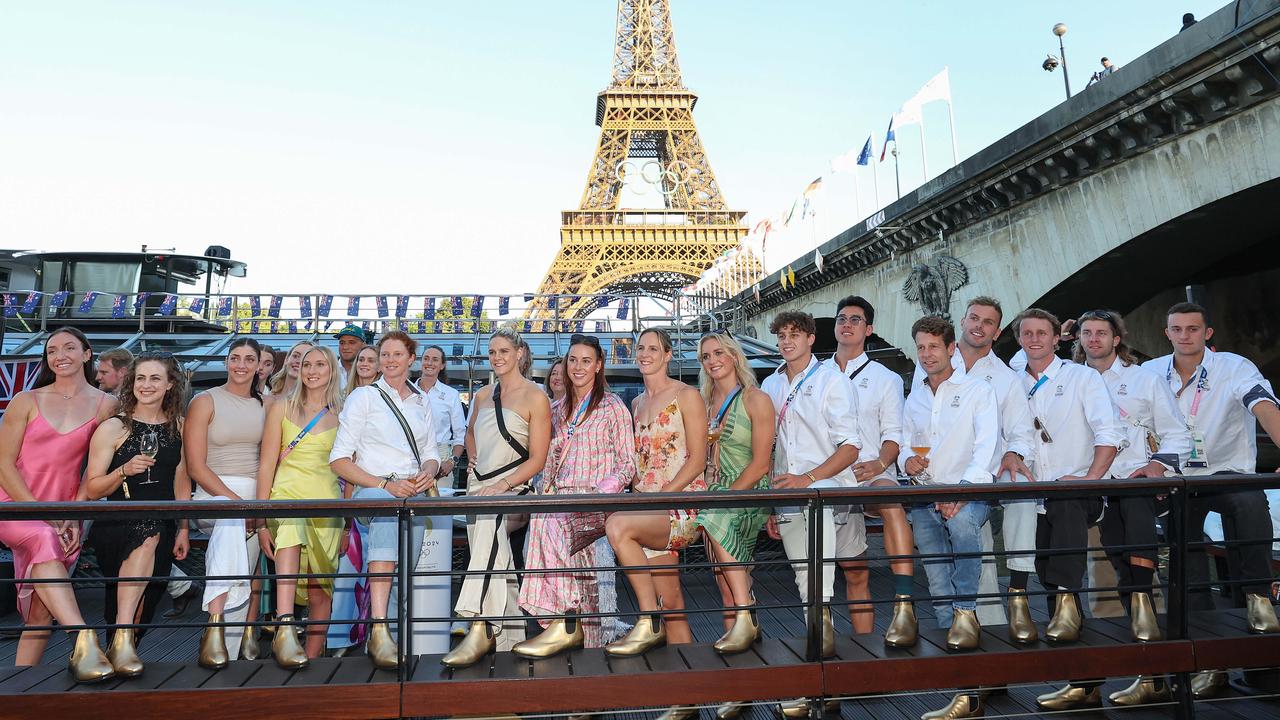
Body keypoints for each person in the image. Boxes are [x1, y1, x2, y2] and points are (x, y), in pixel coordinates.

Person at [1144, 301, 1280, 698]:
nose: (1184, 335)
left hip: (1227, 471)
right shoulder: (1150, 372)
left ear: (1208, 333)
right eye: (1176, 329)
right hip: (1177, 477)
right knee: (1185, 557)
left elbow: (1265, 407)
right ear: (1166, 333)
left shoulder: (1234, 368)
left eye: (1192, 328)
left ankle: (1257, 596)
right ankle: (1208, 662)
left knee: (1251, 504)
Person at [920, 298, 1038, 720]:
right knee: (946, 579)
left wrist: (1012, 453)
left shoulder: (1004, 380)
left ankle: (980, 678)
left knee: (980, 576)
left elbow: (1018, 433)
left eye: (989, 322)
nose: (979, 326)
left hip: (976, 489)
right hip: (935, 491)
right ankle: (974, 674)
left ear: (997, 331)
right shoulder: (928, 368)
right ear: (962, 324)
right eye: (974, 318)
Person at [1072, 309, 1191, 706]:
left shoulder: (1143, 379)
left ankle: (1151, 669)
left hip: (1131, 481)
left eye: (1100, 333)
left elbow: (1176, 431)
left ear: (1116, 338)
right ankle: (1085, 683)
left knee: (1130, 563)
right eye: (1086, 333)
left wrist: (1158, 465)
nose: (1093, 340)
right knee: (1082, 581)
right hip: (1086, 487)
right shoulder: (1069, 380)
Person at [1015, 308, 1122, 712]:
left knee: (1063, 581)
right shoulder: (1012, 380)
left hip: (1078, 493)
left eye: (1043, 333)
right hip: (1033, 495)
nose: (1035, 339)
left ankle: (1066, 604)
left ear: (1056, 338)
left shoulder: (1083, 378)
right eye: (1027, 333)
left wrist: (1089, 480)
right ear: (1021, 339)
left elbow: (1108, 435)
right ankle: (1082, 683)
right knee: (1047, 576)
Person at [0, 328, 117, 682]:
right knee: (43, 541)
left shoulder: (106, 405)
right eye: (52, 350)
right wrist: (43, 513)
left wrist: (72, 516)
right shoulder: (25, 399)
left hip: (66, 512)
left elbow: (94, 471)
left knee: (40, 612)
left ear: (86, 353)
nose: (60, 354)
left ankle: (19, 686)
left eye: (69, 347)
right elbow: (3, 463)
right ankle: (83, 637)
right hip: (13, 503)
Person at [762, 311, 860, 719]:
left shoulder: (832, 381)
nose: (787, 341)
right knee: (807, 578)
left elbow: (851, 446)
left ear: (810, 338)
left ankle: (821, 679)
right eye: (782, 335)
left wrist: (810, 478)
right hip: (786, 495)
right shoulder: (770, 383)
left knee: (816, 579)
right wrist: (769, 501)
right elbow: (768, 449)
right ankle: (824, 679)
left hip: (820, 493)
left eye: (795, 335)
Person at [517, 334, 635, 655]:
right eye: (572, 360)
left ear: (598, 366)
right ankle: (567, 622)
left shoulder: (613, 407)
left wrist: (599, 493)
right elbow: (543, 463)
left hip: (596, 502)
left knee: (548, 521)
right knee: (546, 517)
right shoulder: (554, 410)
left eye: (586, 361)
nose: (578, 366)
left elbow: (627, 465)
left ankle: (563, 621)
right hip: (561, 504)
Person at [330, 330, 440, 669]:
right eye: (385, 354)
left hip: (414, 494)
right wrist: (385, 484)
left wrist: (429, 472)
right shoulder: (363, 397)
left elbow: (432, 453)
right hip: (376, 491)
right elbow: (339, 460)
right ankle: (378, 630)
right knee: (388, 519)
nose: (390, 360)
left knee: (403, 572)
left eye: (397, 354)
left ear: (411, 359)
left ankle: (386, 642)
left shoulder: (423, 401)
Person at [442, 327, 550, 667]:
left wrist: (503, 486)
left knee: (489, 536)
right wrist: (472, 460)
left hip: (514, 488)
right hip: (479, 487)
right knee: (496, 559)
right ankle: (511, 639)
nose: (497, 357)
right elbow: (471, 431)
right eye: (492, 352)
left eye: (503, 350)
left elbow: (538, 459)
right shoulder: (482, 395)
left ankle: (478, 622)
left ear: (519, 353)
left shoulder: (537, 397)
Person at [81, 352, 192, 678]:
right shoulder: (113, 427)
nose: (147, 385)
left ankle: (122, 644)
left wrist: (184, 528)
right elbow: (92, 489)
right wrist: (124, 471)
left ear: (170, 384)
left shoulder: (180, 427)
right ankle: (123, 640)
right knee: (148, 534)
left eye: (155, 378)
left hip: (166, 522)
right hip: (118, 522)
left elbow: (182, 479)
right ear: (132, 383)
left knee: (148, 601)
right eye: (141, 378)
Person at [605, 329, 707, 661]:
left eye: (653, 348)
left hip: (680, 506)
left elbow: (698, 459)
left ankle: (648, 620)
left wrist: (665, 495)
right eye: (640, 348)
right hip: (648, 509)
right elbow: (639, 462)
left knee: (618, 526)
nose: (645, 353)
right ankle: (687, 697)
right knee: (673, 604)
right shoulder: (635, 403)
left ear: (667, 355)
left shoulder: (687, 396)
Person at [822, 296, 914, 643]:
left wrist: (879, 463)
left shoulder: (885, 378)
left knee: (892, 502)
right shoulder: (816, 376)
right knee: (852, 572)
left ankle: (904, 601)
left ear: (869, 329)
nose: (847, 324)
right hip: (829, 475)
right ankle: (831, 638)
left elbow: (893, 434)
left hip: (870, 471)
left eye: (856, 320)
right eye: (842, 318)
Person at [694, 330, 775, 720]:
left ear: (734, 355)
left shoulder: (756, 399)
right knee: (726, 587)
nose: (713, 360)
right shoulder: (702, 404)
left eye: (719, 352)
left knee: (733, 583)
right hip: (714, 496)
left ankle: (748, 611)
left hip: (745, 493)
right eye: (706, 355)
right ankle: (739, 687)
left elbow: (762, 463)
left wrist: (724, 496)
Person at [903, 317, 997, 649]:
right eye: (921, 348)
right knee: (935, 568)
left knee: (962, 530)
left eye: (933, 347)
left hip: (969, 490)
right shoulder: (915, 397)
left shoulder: (979, 391)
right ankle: (949, 632)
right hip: (925, 491)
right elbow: (904, 443)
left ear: (951, 349)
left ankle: (966, 614)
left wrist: (961, 493)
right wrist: (906, 460)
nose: (927, 354)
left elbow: (986, 447)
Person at [255, 345, 345, 667]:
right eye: (307, 364)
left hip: (328, 503)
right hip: (286, 495)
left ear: (332, 370)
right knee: (291, 528)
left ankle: (313, 659)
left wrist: (347, 521)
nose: (312, 370)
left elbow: (350, 468)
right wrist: (262, 520)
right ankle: (285, 624)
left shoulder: (344, 413)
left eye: (320, 364)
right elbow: (266, 465)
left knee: (320, 587)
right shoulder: (279, 407)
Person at [185, 338, 268, 669]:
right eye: (235, 358)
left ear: (260, 365)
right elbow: (194, 466)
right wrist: (241, 505)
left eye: (250, 359)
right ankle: (216, 623)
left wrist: (255, 507)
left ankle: (220, 641)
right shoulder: (205, 401)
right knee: (232, 525)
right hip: (214, 492)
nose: (242, 365)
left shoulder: (268, 404)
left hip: (256, 496)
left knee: (242, 564)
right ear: (226, 362)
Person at [417, 345, 465, 491]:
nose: (430, 363)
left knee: (439, 511)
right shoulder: (407, 391)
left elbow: (460, 434)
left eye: (435, 360)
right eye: (426, 358)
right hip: (412, 458)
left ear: (442, 365)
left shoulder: (451, 395)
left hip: (441, 459)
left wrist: (451, 462)